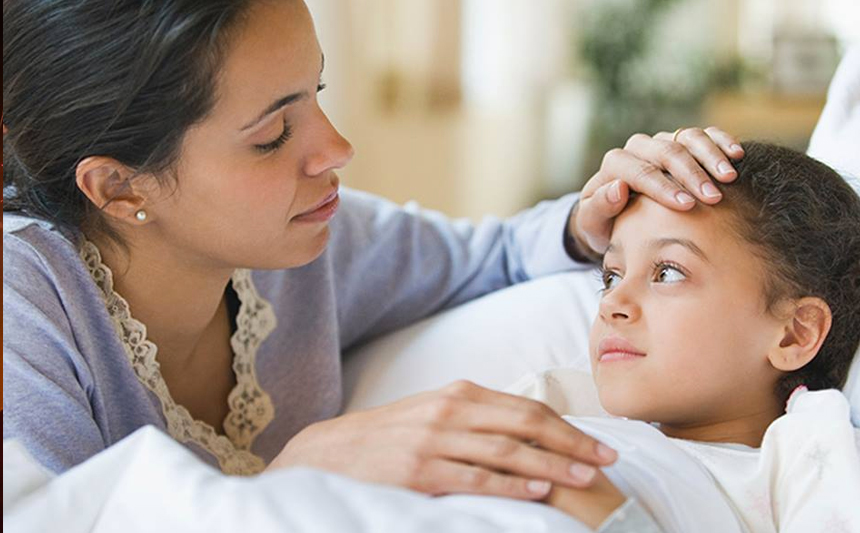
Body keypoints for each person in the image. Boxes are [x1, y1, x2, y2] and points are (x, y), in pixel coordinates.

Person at [3, 0, 744, 500]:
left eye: (316, 92)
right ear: (117, 186)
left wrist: (600, 214)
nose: (337, 148)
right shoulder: (24, 308)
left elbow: (492, 259)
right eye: (271, 136)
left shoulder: (312, 250)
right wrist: (297, 476)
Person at [541, 141, 860, 531]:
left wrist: (614, 518)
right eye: (611, 277)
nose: (612, 304)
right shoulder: (561, 398)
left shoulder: (801, 460)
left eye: (668, 273)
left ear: (794, 334)